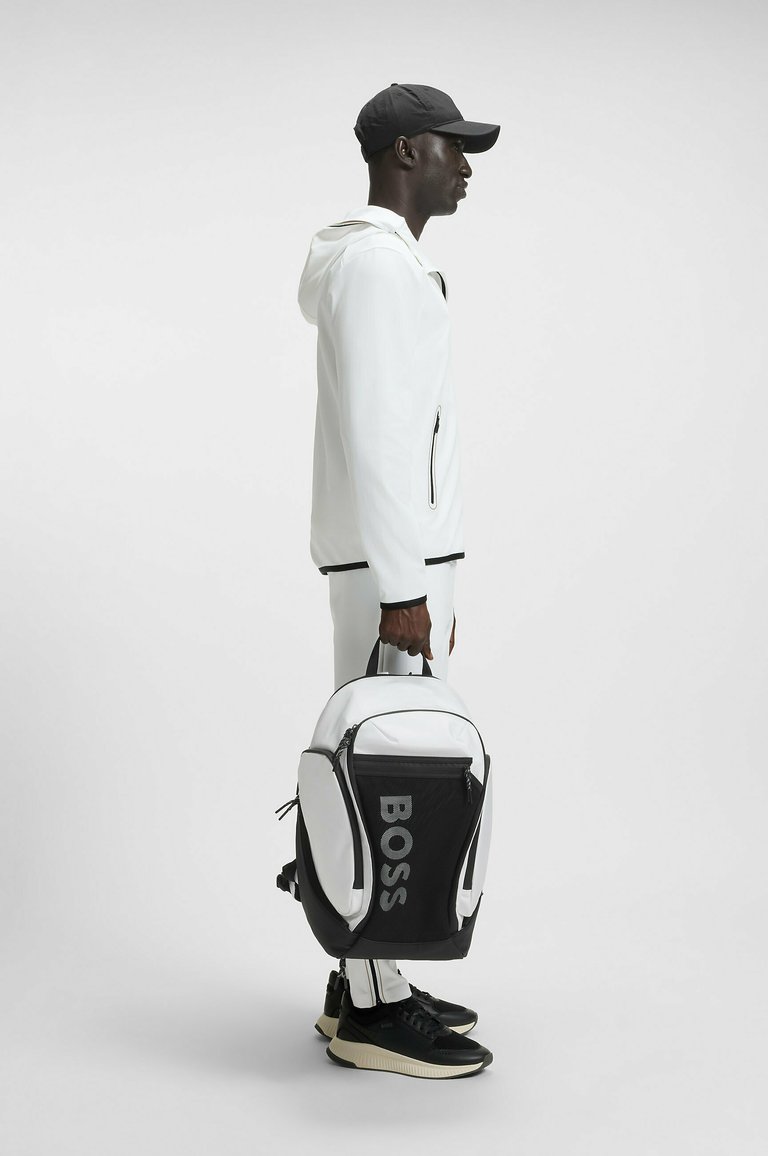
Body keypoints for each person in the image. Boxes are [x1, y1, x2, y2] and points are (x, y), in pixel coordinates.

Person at [297, 83, 500, 1078]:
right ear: (406, 150)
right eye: (454, 149)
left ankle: (362, 980)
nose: (466, 169)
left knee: (387, 759)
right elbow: (381, 435)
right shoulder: (376, 266)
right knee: (392, 773)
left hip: (397, 560)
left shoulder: (384, 263)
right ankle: (375, 1009)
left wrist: (418, 576)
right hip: (391, 567)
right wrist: (403, 587)